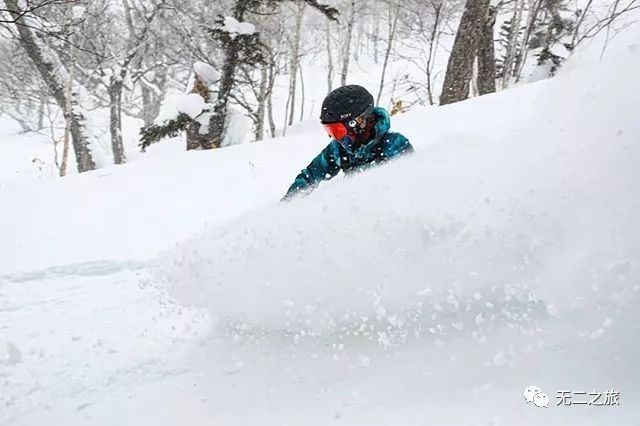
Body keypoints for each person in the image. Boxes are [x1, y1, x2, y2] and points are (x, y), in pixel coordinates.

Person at [282, 85, 414, 201]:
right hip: (353, 211)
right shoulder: (339, 149)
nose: (336, 138)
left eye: (338, 130)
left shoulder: (394, 144)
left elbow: (409, 181)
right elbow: (310, 175)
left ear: (359, 121)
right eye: (331, 131)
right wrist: (288, 204)